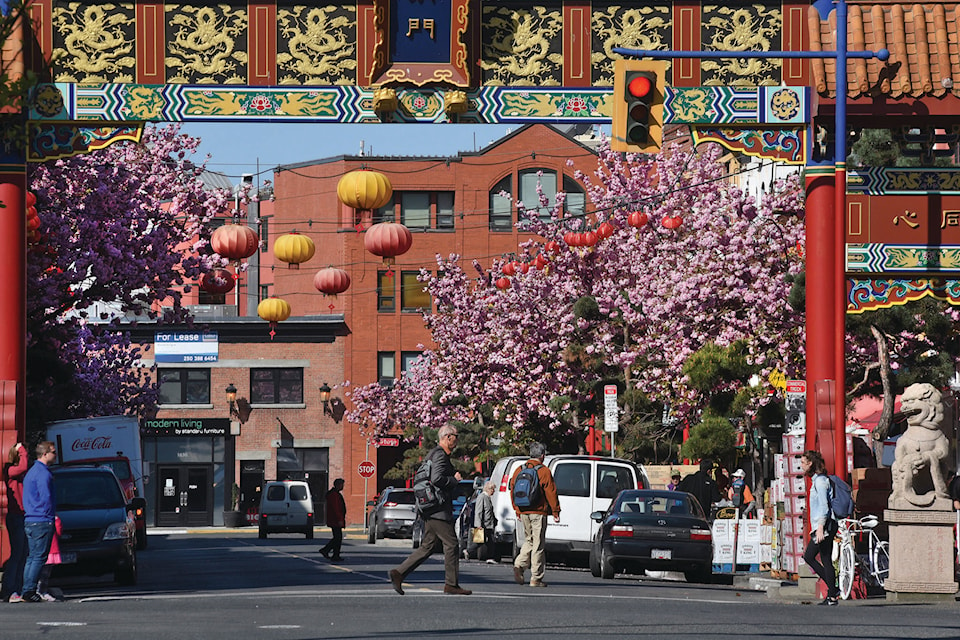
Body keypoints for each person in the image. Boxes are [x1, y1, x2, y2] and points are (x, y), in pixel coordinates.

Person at [389, 424, 471, 595]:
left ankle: (399, 573)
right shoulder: (440, 455)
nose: (457, 439)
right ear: (448, 437)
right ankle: (451, 584)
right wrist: (454, 480)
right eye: (456, 436)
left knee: (428, 546)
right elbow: (437, 478)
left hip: (429, 507)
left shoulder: (433, 454)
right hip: (437, 508)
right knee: (452, 544)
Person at [510, 442, 561, 588]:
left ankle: (519, 564)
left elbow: (512, 489)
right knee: (538, 544)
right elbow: (551, 492)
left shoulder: (519, 469)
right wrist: (555, 511)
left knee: (529, 540)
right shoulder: (543, 471)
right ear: (542, 455)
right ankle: (536, 577)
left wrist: (517, 509)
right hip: (538, 512)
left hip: (523, 510)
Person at [801, 449, 839, 606]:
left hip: (824, 526)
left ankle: (833, 589)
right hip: (823, 525)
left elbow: (824, 506)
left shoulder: (820, 482)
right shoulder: (818, 480)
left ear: (810, 463)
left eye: (803, 462)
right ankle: (832, 595)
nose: (801, 465)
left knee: (809, 556)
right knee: (825, 558)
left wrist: (820, 527)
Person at [21, 441, 57, 603]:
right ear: (45, 454)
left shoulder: (32, 472)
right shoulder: (43, 474)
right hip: (41, 520)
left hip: (30, 519)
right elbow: (46, 498)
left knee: (32, 557)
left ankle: (27, 588)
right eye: (53, 452)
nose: (55, 455)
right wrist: (50, 517)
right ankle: (29, 590)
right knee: (38, 557)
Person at [2, 442, 29, 602]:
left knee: (23, 554)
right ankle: (10, 589)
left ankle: (17, 588)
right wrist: (22, 451)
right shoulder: (11, 471)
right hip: (15, 516)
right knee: (17, 554)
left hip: (22, 515)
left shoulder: (16, 474)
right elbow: (23, 466)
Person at [35, 516, 62, 602]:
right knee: (45, 574)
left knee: (38, 571)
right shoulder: (54, 518)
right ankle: (42, 591)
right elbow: (59, 530)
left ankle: (37, 590)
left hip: (40, 548)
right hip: (52, 548)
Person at [319, 478, 346, 561]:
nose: (343, 486)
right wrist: (340, 519)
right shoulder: (334, 495)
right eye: (342, 484)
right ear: (338, 485)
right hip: (335, 520)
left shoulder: (335, 494)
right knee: (338, 537)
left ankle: (332, 553)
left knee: (337, 537)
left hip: (335, 519)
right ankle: (330, 552)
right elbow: (336, 508)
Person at [473, 481, 497, 563]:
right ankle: (468, 551)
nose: (493, 491)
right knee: (480, 541)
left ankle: (490, 557)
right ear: (488, 489)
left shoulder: (488, 498)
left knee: (489, 541)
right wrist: (478, 524)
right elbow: (479, 511)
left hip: (489, 524)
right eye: (493, 489)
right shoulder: (482, 497)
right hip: (484, 524)